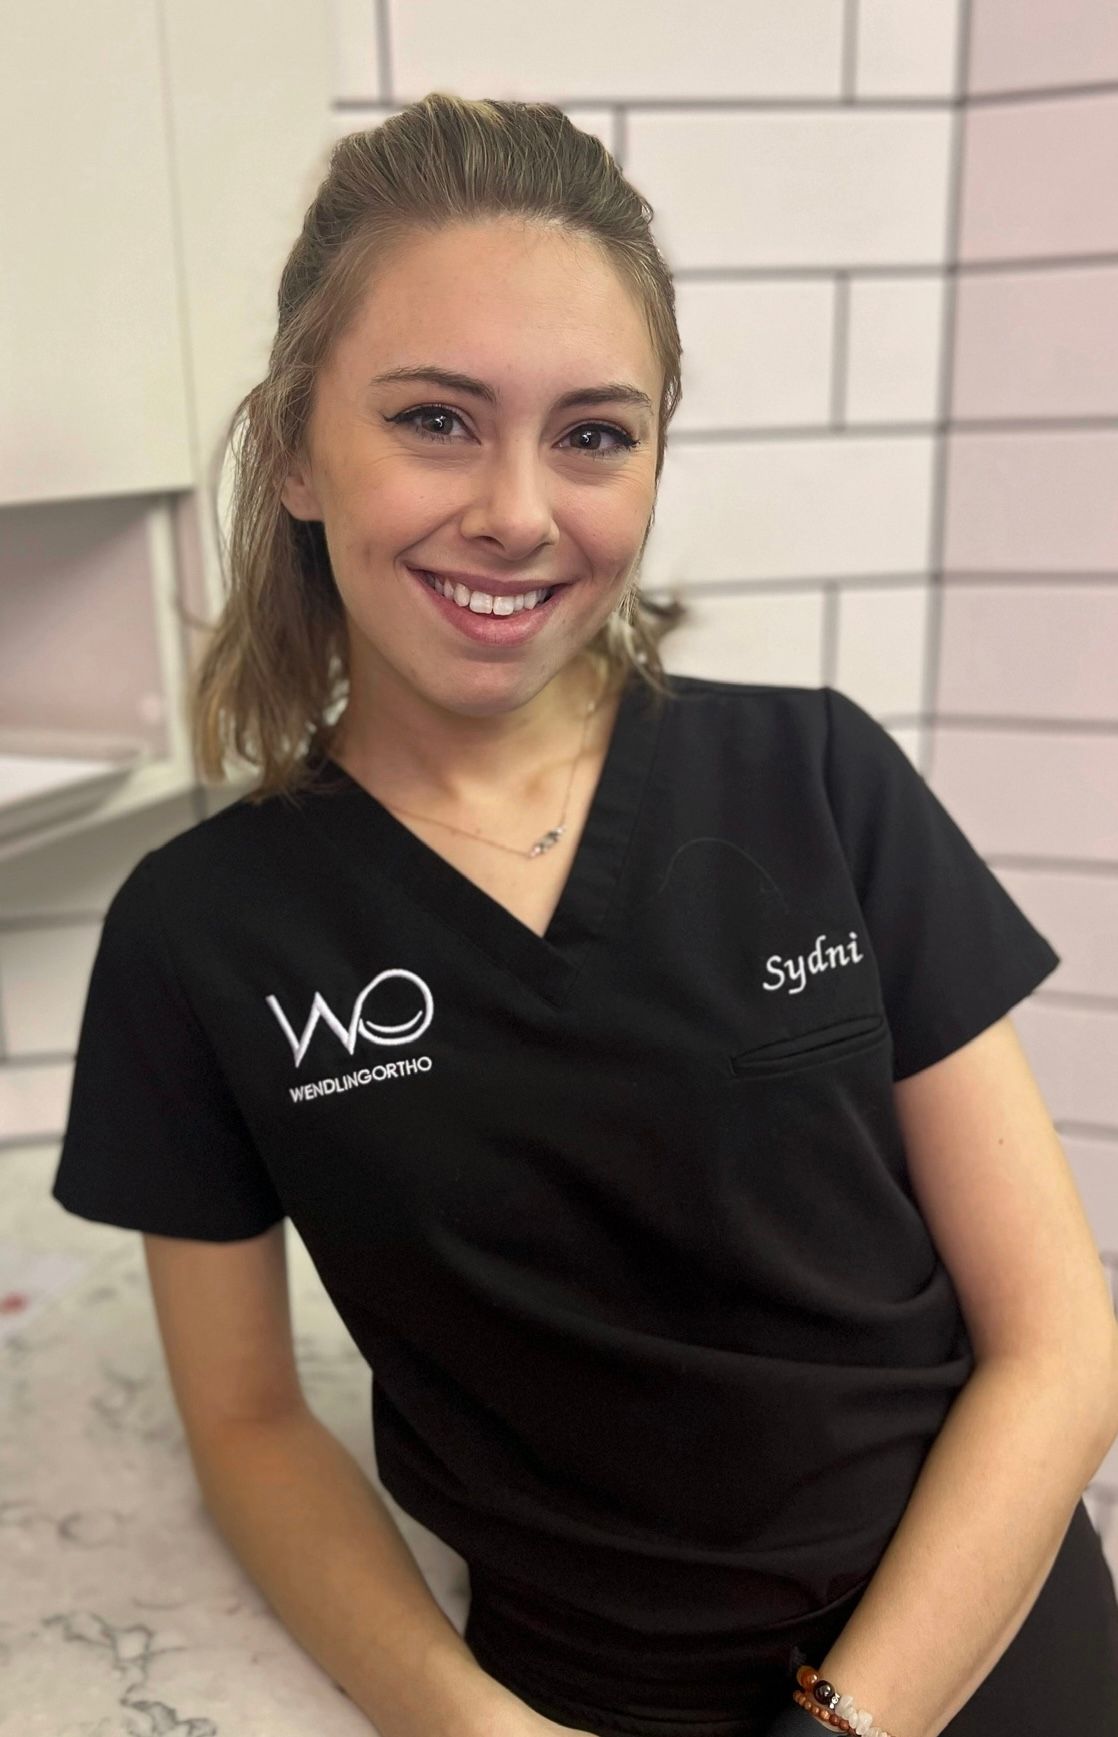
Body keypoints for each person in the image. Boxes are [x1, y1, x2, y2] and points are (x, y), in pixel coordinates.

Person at [50, 93, 1118, 1737]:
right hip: (568, 1697)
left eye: (593, 434)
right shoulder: (205, 932)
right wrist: (461, 1720)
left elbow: (1053, 1340)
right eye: (434, 419)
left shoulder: (815, 777)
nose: (518, 511)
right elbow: (253, 1421)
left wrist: (843, 1723)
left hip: (970, 1623)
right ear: (291, 451)